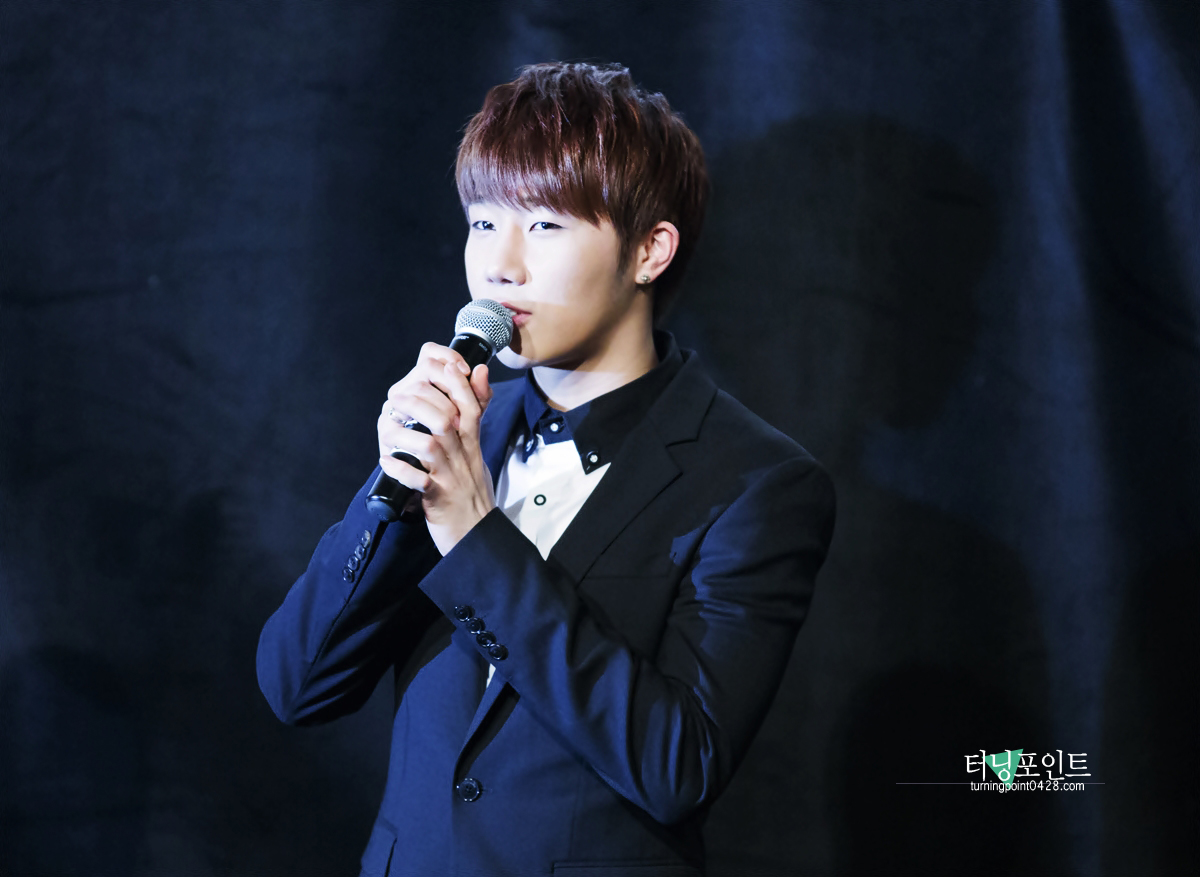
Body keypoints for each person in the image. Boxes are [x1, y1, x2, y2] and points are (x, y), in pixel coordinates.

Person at [257, 61, 835, 877]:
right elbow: (298, 685)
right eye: (483, 221)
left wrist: (476, 537)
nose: (501, 263)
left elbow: (679, 766)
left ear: (650, 250)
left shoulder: (756, 482)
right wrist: (391, 500)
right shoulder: (465, 427)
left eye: (546, 225)